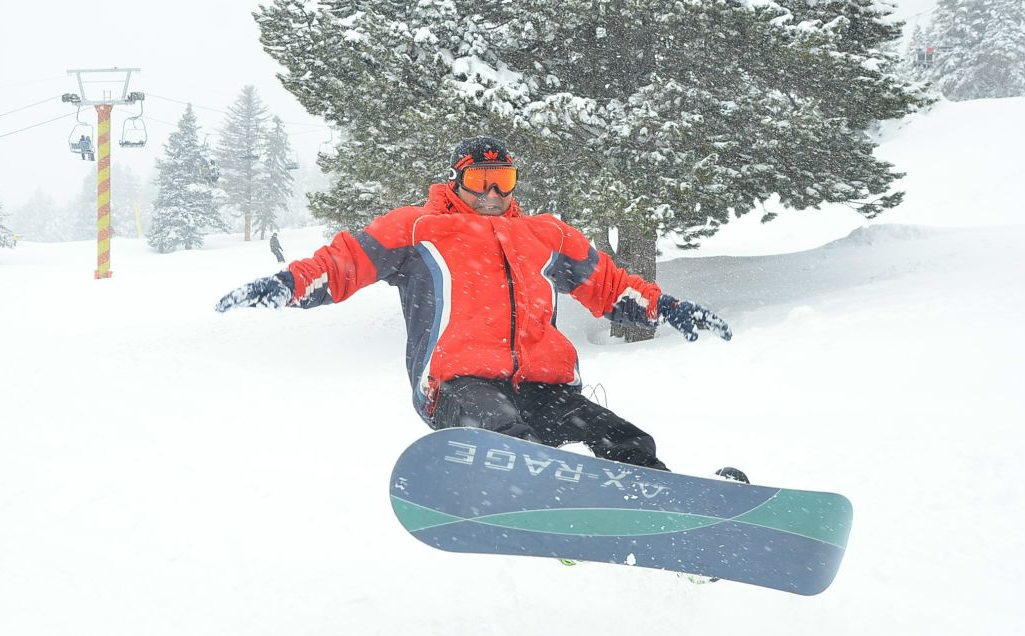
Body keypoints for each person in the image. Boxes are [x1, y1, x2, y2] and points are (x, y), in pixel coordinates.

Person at [215, 136, 734, 473]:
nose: (491, 192)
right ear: (456, 181)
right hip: (459, 387)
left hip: (544, 385)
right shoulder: (418, 230)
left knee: (626, 441)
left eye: (503, 181)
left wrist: (670, 308)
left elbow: (609, 285)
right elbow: (343, 263)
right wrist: (286, 284)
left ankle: (667, 515)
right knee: (513, 442)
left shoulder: (544, 235)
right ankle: (551, 512)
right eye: (480, 180)